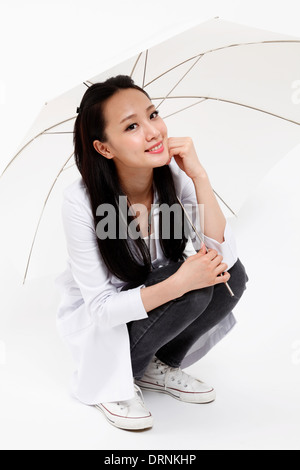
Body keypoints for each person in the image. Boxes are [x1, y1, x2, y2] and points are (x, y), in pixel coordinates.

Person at [55, 75, 248, 431]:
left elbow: (225, 254)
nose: (153, 131)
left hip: (152, 307)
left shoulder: (171, 175)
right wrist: (180, 284)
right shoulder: (81, 202)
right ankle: (117, 380)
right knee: (193, 285)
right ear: (104, 148)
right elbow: (100, 309)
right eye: (132, 126)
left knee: (231, 277)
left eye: (153, 114)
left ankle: (155, 365)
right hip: (110, 325)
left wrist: (200, 176)